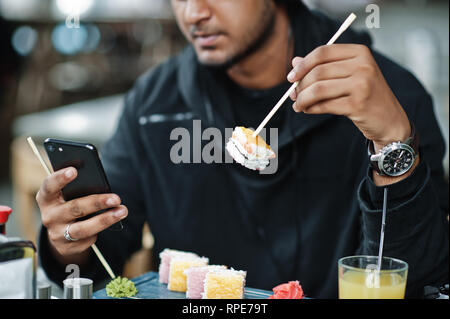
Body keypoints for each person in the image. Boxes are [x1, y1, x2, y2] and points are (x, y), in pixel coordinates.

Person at [37, 0, 448, 298]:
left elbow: (419, 278)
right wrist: (68, 238)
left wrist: (394, 145)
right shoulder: (154, 103)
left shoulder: (387, 97)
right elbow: (105, 249)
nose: (192, 13)